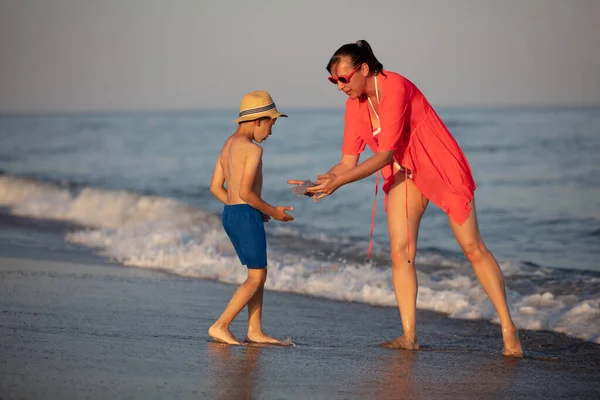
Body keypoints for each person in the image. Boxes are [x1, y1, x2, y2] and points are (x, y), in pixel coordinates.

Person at [289, 40, 522, 357]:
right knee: (401, 253)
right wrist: (319, 182)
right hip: (404, 171)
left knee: (472, 247)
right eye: (334, 81)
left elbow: (383, 155)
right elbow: (347, 163)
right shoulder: (353, 108)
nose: (340, 86)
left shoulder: (395, 87)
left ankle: (509, 330)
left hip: (439, 164)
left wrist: (340, 182)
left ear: (364, 69)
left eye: (344, 78)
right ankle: (409, 336)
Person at [209, 90, 294, 345]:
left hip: (231, 213)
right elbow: (247, 192)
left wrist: (246, 209)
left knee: (258, 274)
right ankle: (221, 325)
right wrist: (272, 211)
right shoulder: (253, 150)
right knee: (256, 277)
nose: (270, 133)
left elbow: (216, 188)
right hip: (244, 214)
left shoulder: (228, 144)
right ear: (259, 120)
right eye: (271, 124)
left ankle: (255, 330)